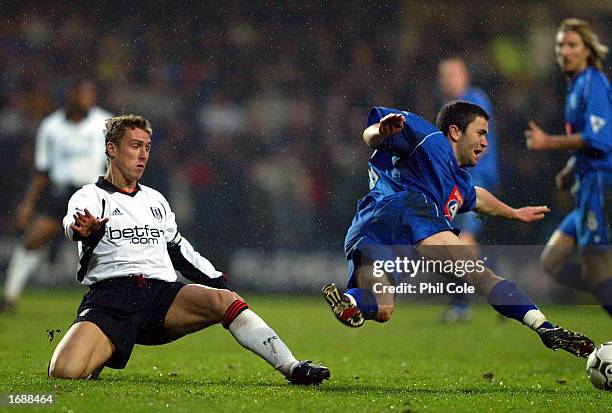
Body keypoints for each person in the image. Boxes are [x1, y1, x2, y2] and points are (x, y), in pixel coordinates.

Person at [47, 114, 329, 385]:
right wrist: (81, 229)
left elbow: (180, 250)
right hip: (111, 299)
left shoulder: (155, 200)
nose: (143, 155)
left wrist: (218, 282)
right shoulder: (90, 196)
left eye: (147, 147)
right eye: (135, 146)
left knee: (225, 301)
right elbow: (73, 223)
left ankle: (292, 366)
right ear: (111, 149)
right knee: (63, 372)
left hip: (159, 298)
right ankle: (101, 347)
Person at [323, 101, 595, 358]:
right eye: (480, 133)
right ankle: (544, 327)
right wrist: (381, 130)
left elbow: (478, 198)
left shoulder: (459, 180)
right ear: (455, 131)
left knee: (382, 307)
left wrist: (513, 213)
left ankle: (349, 301)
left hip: (369, 229)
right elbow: (370, 135)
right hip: (409, 212)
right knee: (482, 276)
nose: (485, 142)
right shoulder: (428, 138)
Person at [524, 18, 611, 315]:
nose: (565, 51)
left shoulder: (593, 82)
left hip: (600, 184)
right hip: (585, 185)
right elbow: (587, 143)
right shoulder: (576, 87)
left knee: (597, 272)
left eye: (572, 45)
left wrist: (548, 142)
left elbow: (600, 140)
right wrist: (571, 168)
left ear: (588, 49)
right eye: (560, 45)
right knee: (551, 262)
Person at [2, 79, 111, 310]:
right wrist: (27, 204)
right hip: (61, 193)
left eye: (91, 93)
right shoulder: (51, 127)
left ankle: (118, 297)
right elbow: (42, 170)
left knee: (109, 245)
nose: (88, 98)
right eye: (83, 93)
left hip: (94, 193)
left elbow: (116, 162)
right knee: (33, 240)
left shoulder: (105, 123)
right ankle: (9, 296)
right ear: (71, 95)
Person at [437, 56, 500, 322]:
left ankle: (466, 303)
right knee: (456, 245)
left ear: (465, 76)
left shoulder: (474, 100)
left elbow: (477, 140)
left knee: (462, 244)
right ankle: (497, 292)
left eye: (453, 74)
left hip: (475, 180)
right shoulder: (449, 108)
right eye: (445, 75)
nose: (448, 79)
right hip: (458, 183)